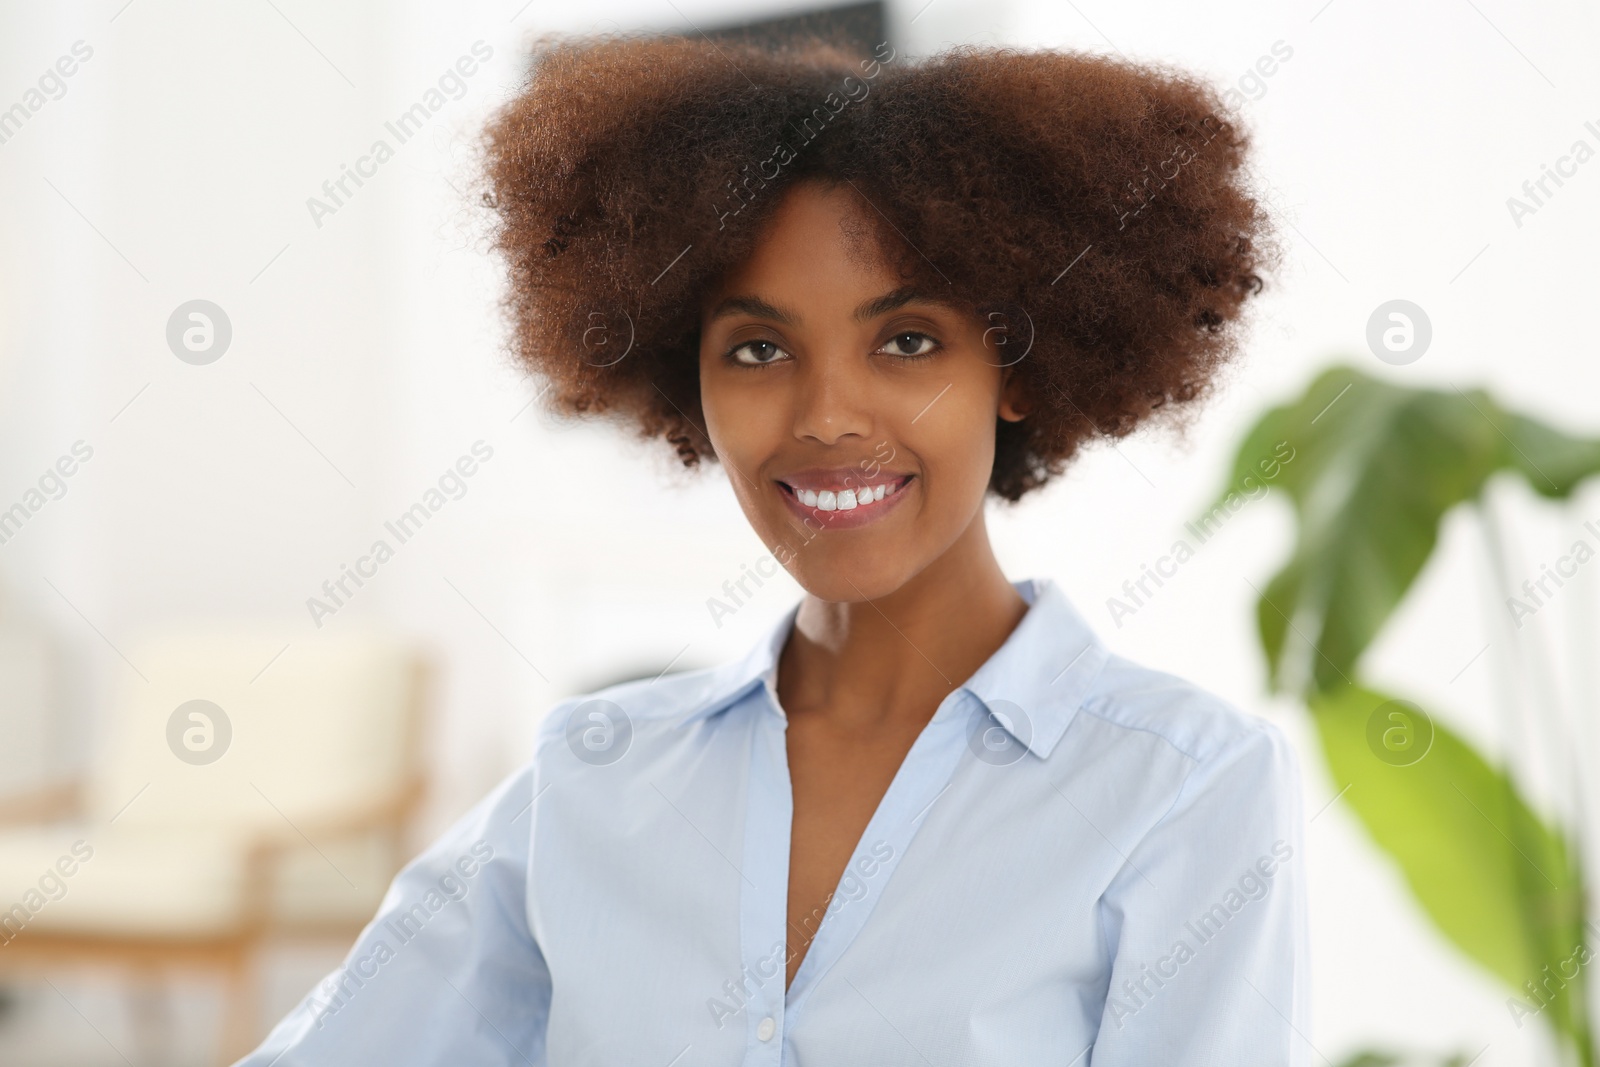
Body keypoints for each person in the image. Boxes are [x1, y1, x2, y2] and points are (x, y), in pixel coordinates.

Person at [239, 31, 1307, 1066]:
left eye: (906, 342)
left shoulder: (1180, 784)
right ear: (685, 382)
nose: (828, 414)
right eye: (758, 348)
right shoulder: (595, 775)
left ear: (1016, 367)